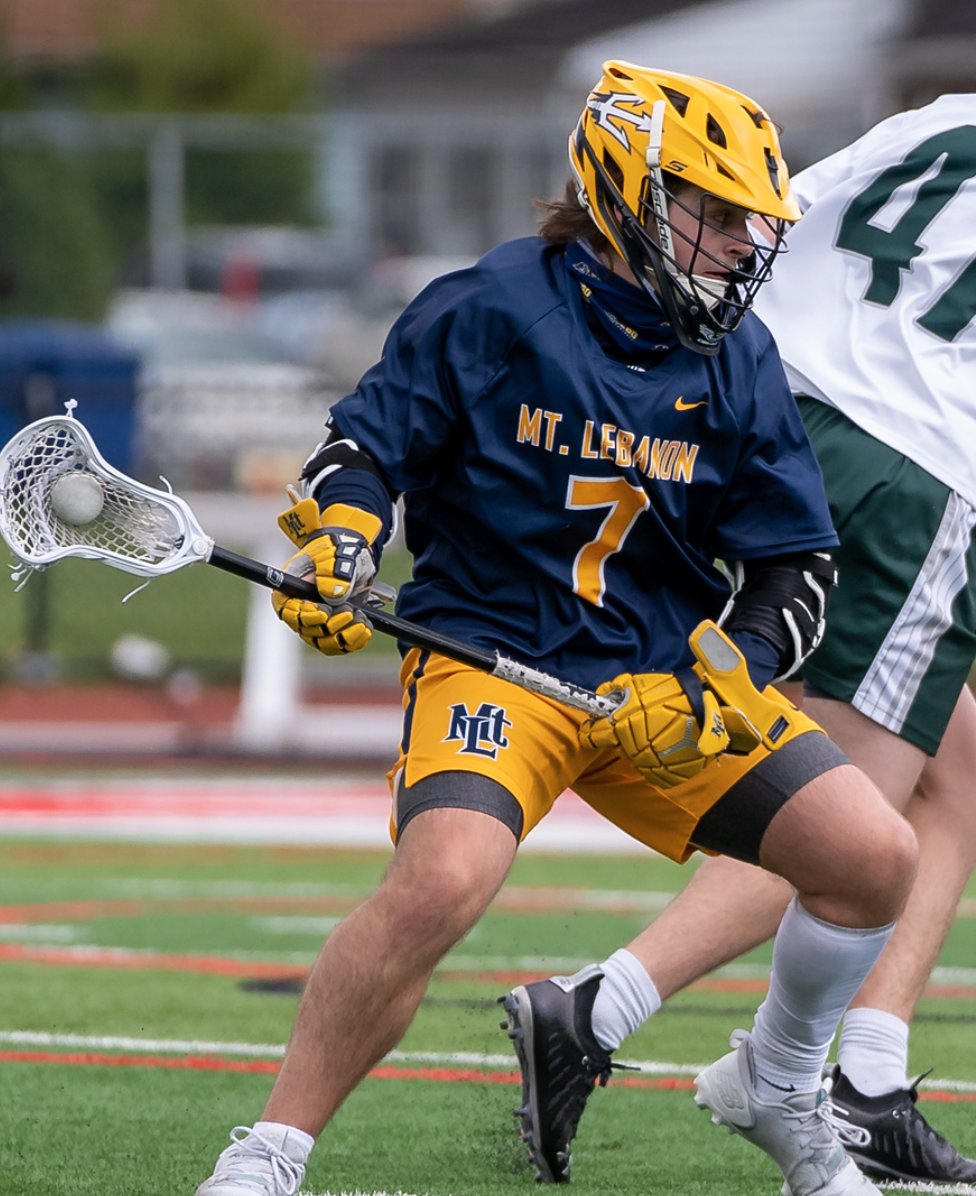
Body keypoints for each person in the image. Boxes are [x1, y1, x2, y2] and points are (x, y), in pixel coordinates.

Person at [194, 63, 917, 1196]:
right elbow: (365, 449)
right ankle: (268, 1151)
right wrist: (339, 543)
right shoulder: (490, 307)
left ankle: (779, 1087)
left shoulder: (738, 356)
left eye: (751, 221)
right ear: (629, 189)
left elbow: (795, 558)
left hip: (658, 684)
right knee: (443, 879)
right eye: (715, 212)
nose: (740, 243)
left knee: (873, 855)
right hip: (497, 659)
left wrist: (742, 665)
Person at [504, 93, 976, 1188]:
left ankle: (866, 1066)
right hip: (915, 461)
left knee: (955, 764)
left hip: (774, 409)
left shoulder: (947, 117)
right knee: (852, 807)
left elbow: (768, 218)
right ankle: (604, 1005)